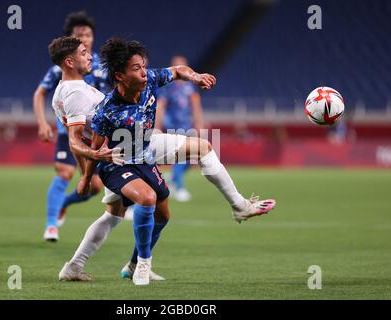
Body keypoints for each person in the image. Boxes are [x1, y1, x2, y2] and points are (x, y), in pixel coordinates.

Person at [58, 37, 276, 285]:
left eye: (143, 66)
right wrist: (87, 177)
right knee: (133, 205)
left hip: (146, 148)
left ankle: (239, 205)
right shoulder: (104, 107)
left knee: (176, 189)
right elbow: (93, 144)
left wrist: (195, 77)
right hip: (118, 161)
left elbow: (178, 71)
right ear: (120, 76)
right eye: (136, 68)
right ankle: (138, 264)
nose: (143, 72)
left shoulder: (148, 80)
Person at [32, 11, 110, 241]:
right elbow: (40, 92)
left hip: (95, 132)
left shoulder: (101, 66)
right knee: (65, 172)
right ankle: (51, 225)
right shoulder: (62, 67)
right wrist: (42, 122)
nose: (84, 39)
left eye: (87, 34)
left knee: (95, 187)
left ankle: (64, 204)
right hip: (69, 129)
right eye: (79, 35)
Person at [156, 55, 204, 201]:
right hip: (173, 125)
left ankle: (173, 178)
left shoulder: (190, 87)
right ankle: (179, 186)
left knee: (191, 156)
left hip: (186, 125)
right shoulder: (167, 87)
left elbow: (196, 107)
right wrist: (157, 126)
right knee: (182, 155)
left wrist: (199, 125)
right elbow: (161, 106)